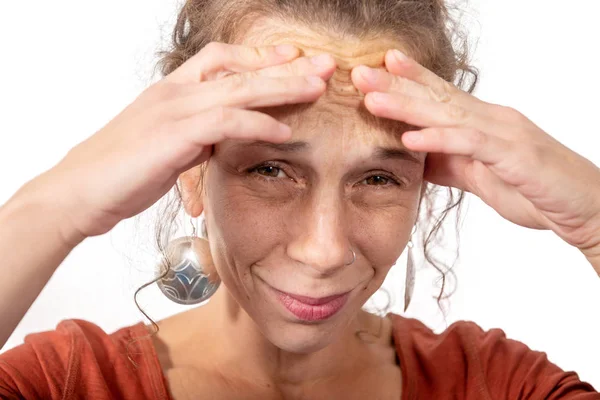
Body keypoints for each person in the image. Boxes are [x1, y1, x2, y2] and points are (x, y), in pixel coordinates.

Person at [0, 0, 599, 398]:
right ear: (186, 167)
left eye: (379, 179)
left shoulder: (494, 386)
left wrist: (595, 219)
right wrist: (56, 204)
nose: (324, 250)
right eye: (270, 169)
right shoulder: (67, 383)